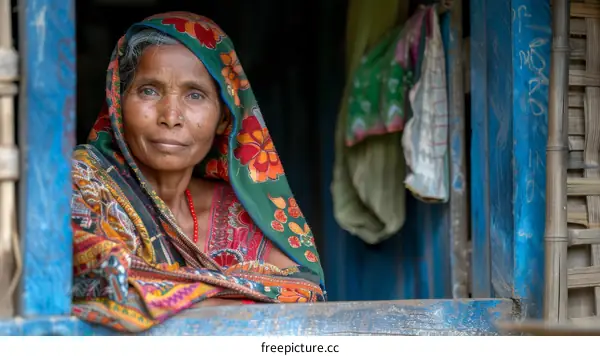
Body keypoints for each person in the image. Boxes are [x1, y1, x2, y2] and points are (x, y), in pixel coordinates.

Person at [71, 12, 326, 333]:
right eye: (149, 90)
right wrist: (242, 291)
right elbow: (111, 287)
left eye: (195, 95)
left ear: (224, 118)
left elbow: (303, 291)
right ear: (118, 104)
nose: (171, 116)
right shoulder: (85, 184)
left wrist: (166, 294)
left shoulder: (239, 209)